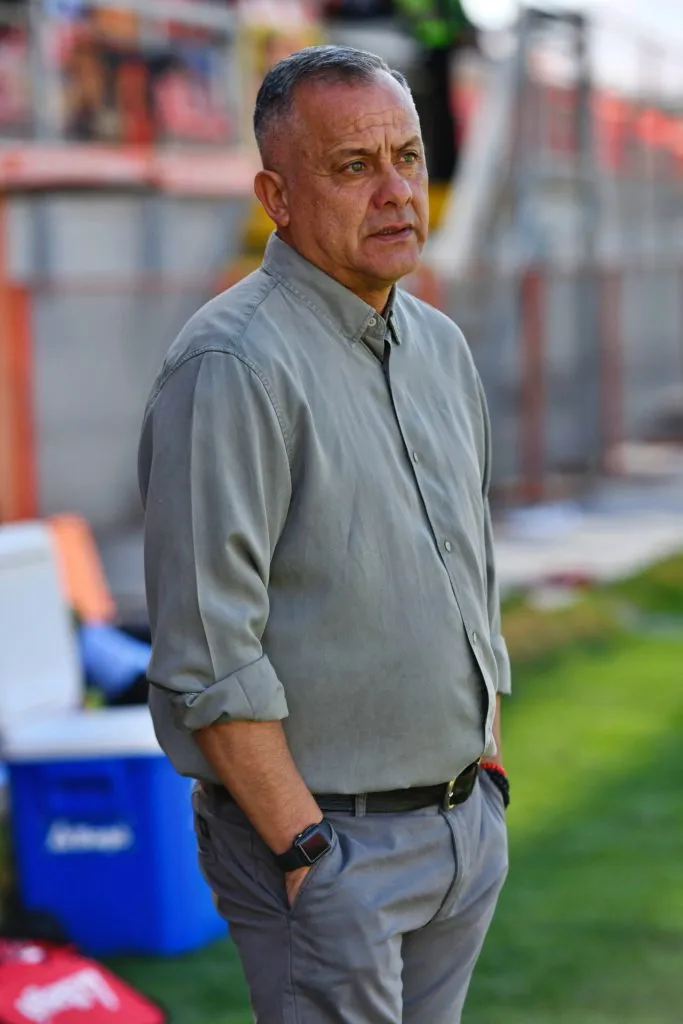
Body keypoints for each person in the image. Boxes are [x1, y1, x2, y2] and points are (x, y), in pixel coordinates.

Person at [138, 44, 510, 1024]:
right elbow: (206, 657)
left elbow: (467, 562)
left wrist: (487, 771)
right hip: (327, 851)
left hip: (458, 828)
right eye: (353, 166)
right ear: (278, 195)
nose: (395, 192)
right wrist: (308, 852)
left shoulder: (437, 343)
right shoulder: (232, 364)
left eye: (408, 157)